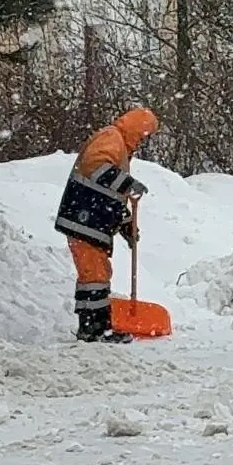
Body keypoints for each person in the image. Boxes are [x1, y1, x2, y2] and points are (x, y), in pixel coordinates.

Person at [53, 108, 158, 343]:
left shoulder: (120, 148)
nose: (142, 141)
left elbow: (108, 196)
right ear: (135, 128)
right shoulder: (112, 138)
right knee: (94, 276)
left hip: (91, 221)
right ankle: (93, 331)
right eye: (143, 135)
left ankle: (98, 328)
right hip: (83, 219)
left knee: (97, 275)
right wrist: (128, 184)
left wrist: (127, 224)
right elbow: (96, 167)